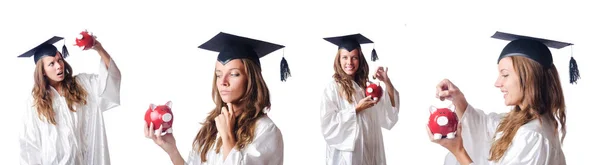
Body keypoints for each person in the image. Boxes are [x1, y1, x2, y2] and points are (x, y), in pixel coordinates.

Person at [429, 31, 577, 165]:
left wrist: (459, 151)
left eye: (505, 75)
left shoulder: (532, 135)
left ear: (529, 78)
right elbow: (485, 127)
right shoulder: (526, 122)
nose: (497, 83)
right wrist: (458, 99)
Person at [145, 32, 288, 165]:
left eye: (234, 74)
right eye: (219, 74)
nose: (223, 81)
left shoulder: (266, 130)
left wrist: (227, 137)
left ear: (251, 79)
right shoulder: (213, 125)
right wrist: (172, 151)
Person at [18, 33, 122, 164]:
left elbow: (110, 78)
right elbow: (29, 147)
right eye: (51, 64)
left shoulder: (82, 85)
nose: (59, 66)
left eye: (59, 59)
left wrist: (99, 49)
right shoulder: (35, 103)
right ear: (42, 71)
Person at [320, 33, 400, 165]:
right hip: (347, 157)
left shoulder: (367, 87)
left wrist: (387, 82)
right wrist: (356, 109)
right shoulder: (332, 88)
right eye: (344, 57)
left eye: (354, 58)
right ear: (338, 60)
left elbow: (389, 116)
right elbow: (328, 125)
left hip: (371, 152)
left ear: (360, 59)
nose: (349, 62)